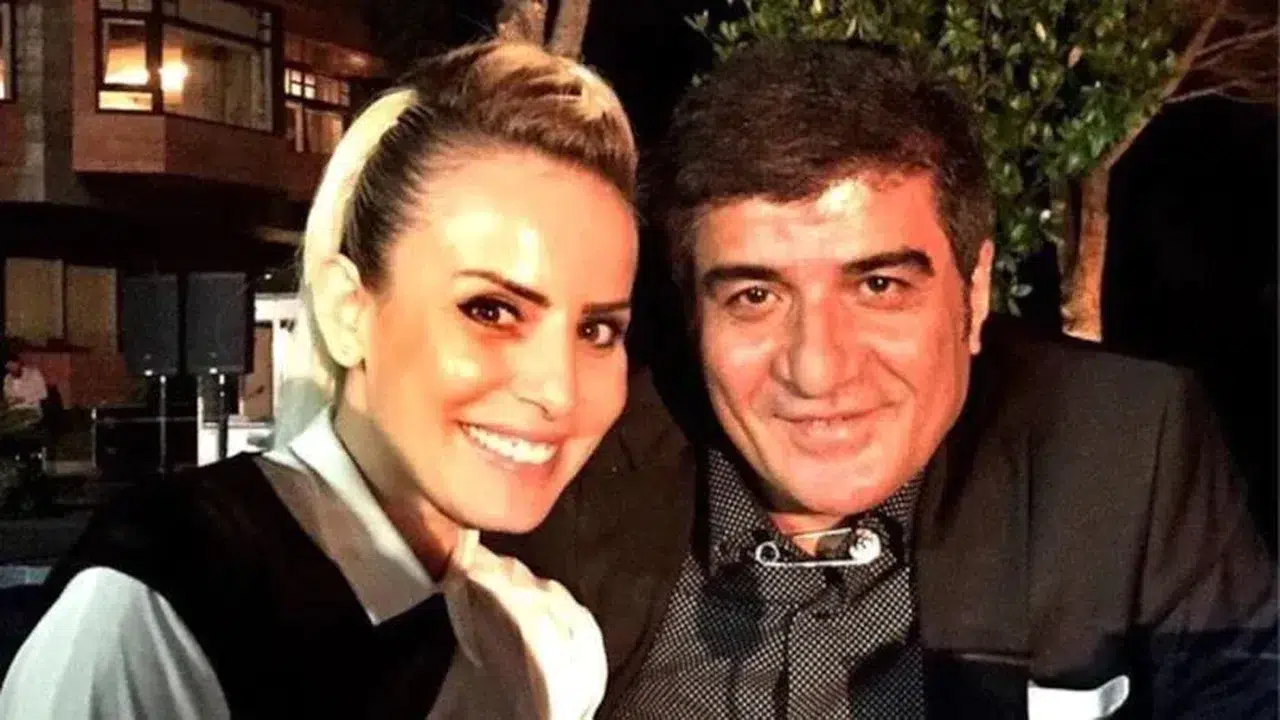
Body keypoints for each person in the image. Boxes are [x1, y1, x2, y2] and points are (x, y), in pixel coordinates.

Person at [490, 41, 1278, 718]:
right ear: (695, 315)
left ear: (973, 295)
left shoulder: (1118, 452)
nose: (817, 368)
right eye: (755, 296)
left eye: (879, 286)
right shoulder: (569, 469)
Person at [0, 40, 639, 719]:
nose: (559, 390)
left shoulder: (548, 642)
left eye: (597, 330)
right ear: (346, 308)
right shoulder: (163, 608)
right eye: (491, 310)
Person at [1, 351, 46, 430]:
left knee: (12, 427)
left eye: (13, 366)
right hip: (13, 411)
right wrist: (8, 401)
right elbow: (7, 397)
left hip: (31, 410)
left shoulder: (33, 373)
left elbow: (43, 394)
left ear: (19, 363)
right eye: (9, 368)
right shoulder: (7, 378)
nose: (12, 370)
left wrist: (24, 399)